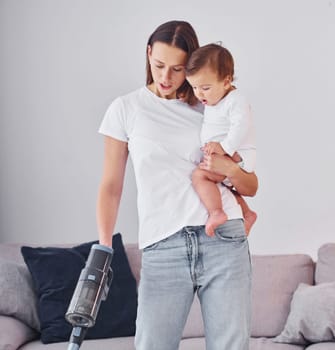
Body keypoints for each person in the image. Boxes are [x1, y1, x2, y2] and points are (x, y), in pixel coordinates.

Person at [96, 20, 257, 350]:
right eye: (159, 66)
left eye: (178, 69)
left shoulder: (210, 104)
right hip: (162, 245)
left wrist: (228, 166)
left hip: (223, 240)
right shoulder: (126, 109)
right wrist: (103, 246)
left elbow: (251, 185)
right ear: (148, 53)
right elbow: (111, 186)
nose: (166, 78)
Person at [185, 43, 257, 237]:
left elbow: (241, 126)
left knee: (199, 176)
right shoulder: (214, 98)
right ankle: (247, 213)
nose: (199, 94)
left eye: (205, 88)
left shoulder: (235, 100)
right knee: (222, 186)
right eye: (194, 87)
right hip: (228, 156)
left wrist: (224, 147)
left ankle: (216, 212)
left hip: (237, 156)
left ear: (226, 81)